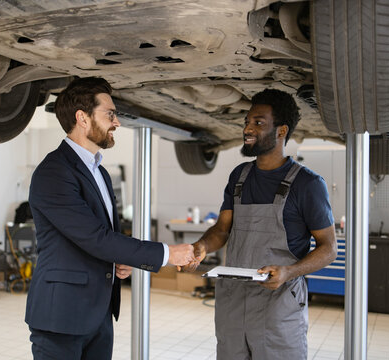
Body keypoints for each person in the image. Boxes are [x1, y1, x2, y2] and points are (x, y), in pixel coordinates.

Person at [25, 77, 195, 360]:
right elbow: (95, 238)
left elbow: (99, 237)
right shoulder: (53, 171)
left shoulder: (100, 172)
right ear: (82, 118)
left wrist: (118, 259)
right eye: (110, 114)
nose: (116, 123)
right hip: (61, 316)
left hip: (99, 314)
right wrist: (166, 253)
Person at [184, 89, 337, 359]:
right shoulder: (239, 176)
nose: (248, 129)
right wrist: (202, 246)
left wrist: (290, 272)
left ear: (281, 131)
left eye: (258, 123)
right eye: (247, 121)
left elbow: (329, 248)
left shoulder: (308, 184)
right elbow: (222, 229)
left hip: (278, 308)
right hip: (233, 305)